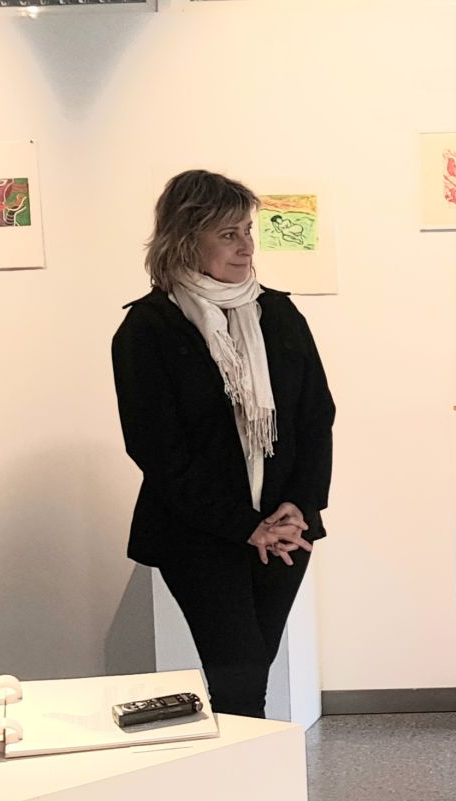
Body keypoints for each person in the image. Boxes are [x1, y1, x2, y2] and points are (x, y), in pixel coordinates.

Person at [112, 170, 335, 718]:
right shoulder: (148, 329)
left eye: (247, 231)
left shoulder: (278, 313)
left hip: (285, 529)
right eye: (229, 234)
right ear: (187, 239)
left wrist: (299, 507)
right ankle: (246, 793)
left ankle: (241, 788)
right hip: (199, 535)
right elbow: (158, 450)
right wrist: (245, 525)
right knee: (237, 672)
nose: (246, 245)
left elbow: (316, 416)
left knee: (249, 670)